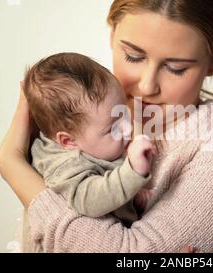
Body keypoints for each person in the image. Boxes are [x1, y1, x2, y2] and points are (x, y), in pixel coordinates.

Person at [0, 0, 213, 252]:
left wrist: (14, 167)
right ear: (111, 35)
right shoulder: (78, 119)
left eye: (176, 68)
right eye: (134, 56)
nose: (147, 86)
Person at [19, 52, 157, 252]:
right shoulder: (65, 164)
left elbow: (109, 182)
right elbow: (91, 200)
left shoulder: (94, 144)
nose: (128, 128)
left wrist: (135, 199)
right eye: (113, 127)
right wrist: (132, 171)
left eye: (123, 113)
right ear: (68, 141)